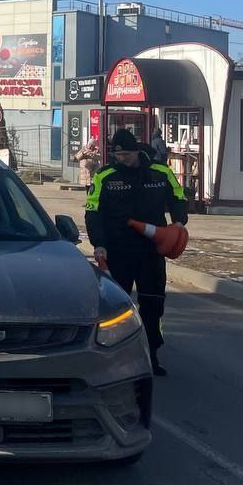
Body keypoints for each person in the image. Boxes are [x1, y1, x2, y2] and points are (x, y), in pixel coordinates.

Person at [84, 128, 188, 376]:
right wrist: (98, 243)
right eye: (118, 155)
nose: (121, 159)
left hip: (152, 251)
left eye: (126, 155)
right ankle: (115, 358)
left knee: (153, 304)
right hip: (119, 250)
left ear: (136, 151)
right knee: (116, 307)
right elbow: (93, 211)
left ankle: (151, 353)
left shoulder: (159, 172)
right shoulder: (105, 176)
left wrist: (178, 222)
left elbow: (178, 195)